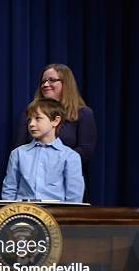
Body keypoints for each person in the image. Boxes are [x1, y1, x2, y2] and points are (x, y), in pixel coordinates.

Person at [2, 98, 84, 271]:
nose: (31, 124)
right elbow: (9, 191)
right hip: (24, 226)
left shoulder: (70, 157)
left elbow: (73, 199)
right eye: (29, 119)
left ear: (56, 121)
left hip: (54, 228)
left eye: (38, 119)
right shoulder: (19, 154)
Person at [14, 63, 97, 197]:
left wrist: (50, 164)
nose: (45, 84)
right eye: (43, 81)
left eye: (52, 80)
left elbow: (85, 151)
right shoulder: (28, 113)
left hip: (66, 186)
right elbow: (19, 146)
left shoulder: (83, 114)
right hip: (31, 188)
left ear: (66, 84)